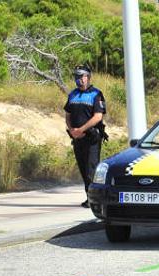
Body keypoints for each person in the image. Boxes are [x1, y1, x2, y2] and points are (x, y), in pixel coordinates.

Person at [64, 65, 106, 208]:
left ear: (88, 77)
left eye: (82, 76)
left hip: (92, 138)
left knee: (91, 169)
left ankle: (96, 199)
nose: (80, 79)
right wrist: (72, 131)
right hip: (77, 138)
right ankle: (89, 197)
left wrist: (81, 129)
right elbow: (67, 115)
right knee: (83, 169)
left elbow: (98, 116)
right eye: (77, 76)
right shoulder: (72, 95)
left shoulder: (96, 94)